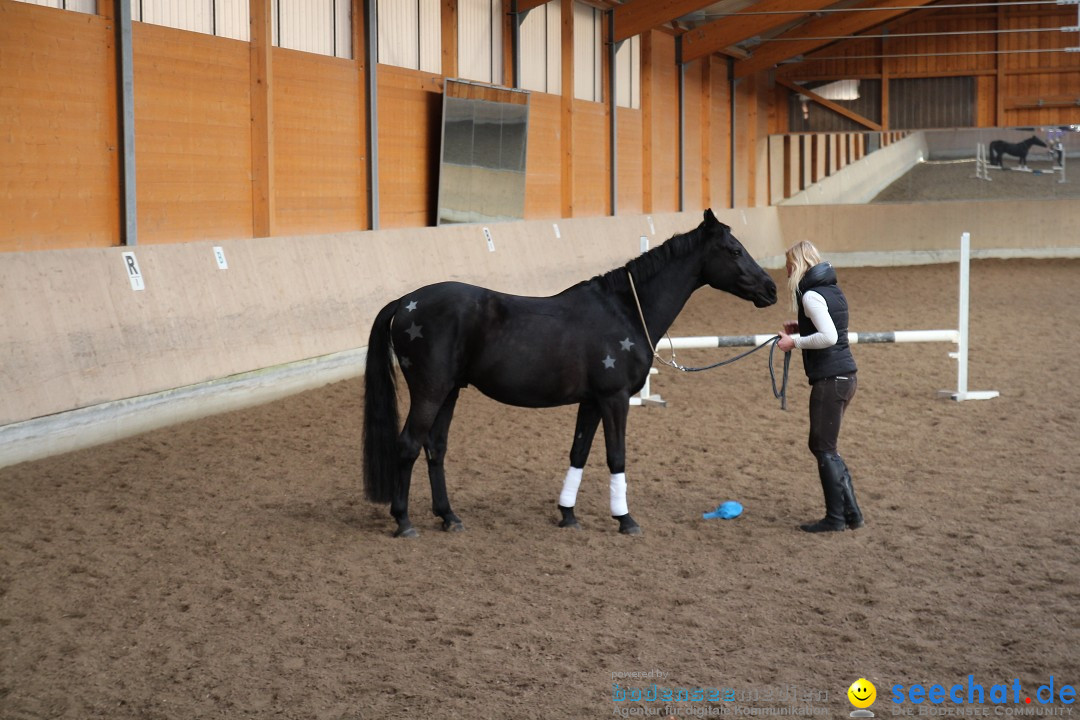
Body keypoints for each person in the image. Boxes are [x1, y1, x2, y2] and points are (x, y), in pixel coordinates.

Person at [776, 240, 864, 533]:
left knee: (823, 447)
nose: (787, 271)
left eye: (789, 265)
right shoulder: (832, 290)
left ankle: (836, 517)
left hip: (831, 378)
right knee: (827, 447)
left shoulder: (811, 295)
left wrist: (794, 342)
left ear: (797, 265)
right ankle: (851, 513)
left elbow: (827, 337)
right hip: (844, 376)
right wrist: (802, 328)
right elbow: (833, 329)